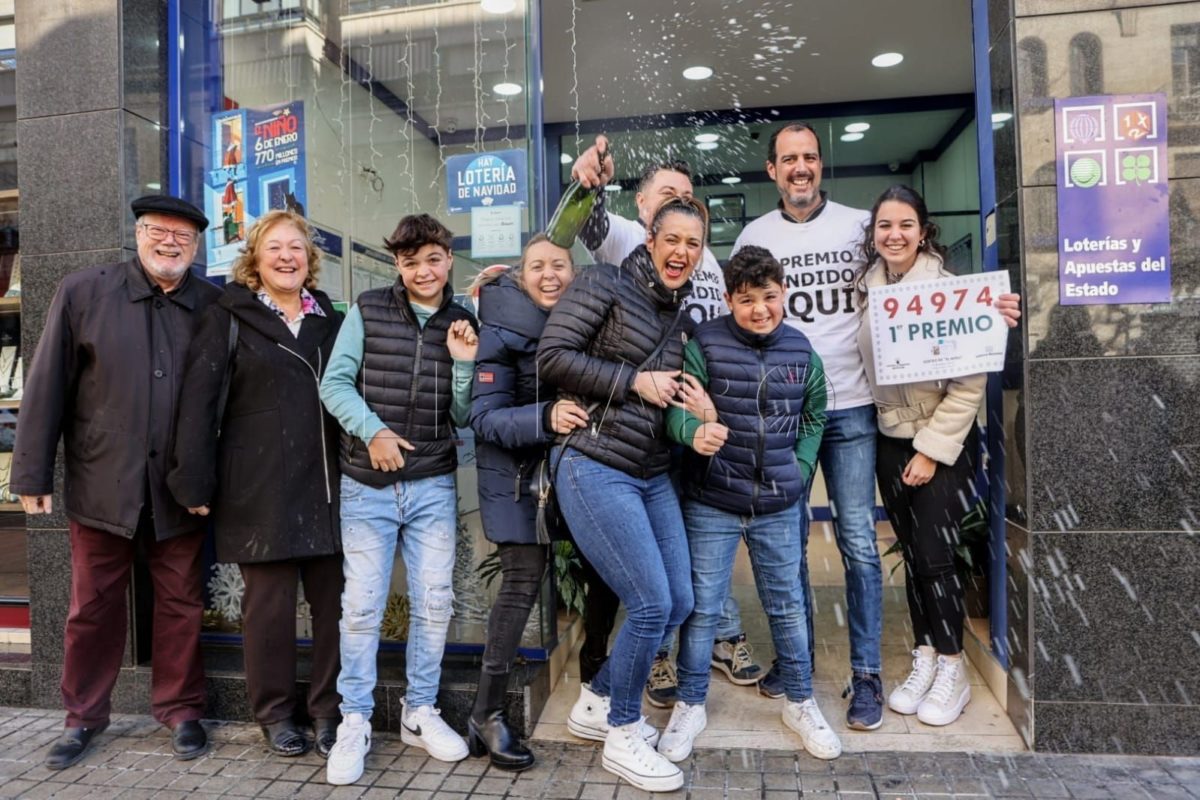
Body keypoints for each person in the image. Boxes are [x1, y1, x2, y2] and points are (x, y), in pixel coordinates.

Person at [733, 122, 1022, 728]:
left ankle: (866, 673)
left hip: (861, 410)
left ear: (821, 165)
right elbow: (739, 313)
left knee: (860, 545)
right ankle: (797, 665)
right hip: (786, 414)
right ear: (772, 170)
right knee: (785, 547)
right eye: (789, 159)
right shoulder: (754, 236)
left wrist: (984, 307)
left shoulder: (862, 227)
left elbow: (922, 283)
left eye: (810, 156)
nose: (801, 167)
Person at [11, 195, 220, 768]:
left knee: (181, 603)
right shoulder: (85, 292)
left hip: (181, 490)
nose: (170, 243)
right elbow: (48, 382)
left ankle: (181, 710)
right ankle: (82, 718)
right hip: (103, 485)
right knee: (91, 609)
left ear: (196, 247)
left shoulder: (214, 304)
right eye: (159, 231)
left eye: (183, 236)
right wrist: (30, 469)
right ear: (138, 233)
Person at [570, 138, 763, 707]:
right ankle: (644, 666)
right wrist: (589, 186)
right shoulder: (632, 244)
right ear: (645, 210)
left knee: (696, 548)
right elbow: (590, 225)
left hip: (688, 423)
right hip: (627, 431)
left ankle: (718, 636)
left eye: (687, 198)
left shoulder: (705, 262)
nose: (680, 208)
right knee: (649, 573)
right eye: (667, 198)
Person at [538, 196, 707, 793]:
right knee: (651, 602)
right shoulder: (603, 282)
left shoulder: (682, 317)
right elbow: (552, 358)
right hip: (593, 463)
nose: (682, 252)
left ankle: (597, 700)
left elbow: (678, 396)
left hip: (651, 471)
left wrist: (699, 409)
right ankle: (623, 732)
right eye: (673, 239)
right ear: (650, 240)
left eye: (694, 243)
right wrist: (636, 380)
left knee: (680, 600)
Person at [168, 210, 344, 758]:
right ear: (256, 259)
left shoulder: (331, 319)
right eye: (275, 248)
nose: (287, 256)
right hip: (257, 483)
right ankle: (273, 713)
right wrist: (193, 482)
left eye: (296, 247)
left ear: (309, 259)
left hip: (328, 482)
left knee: (335, 607)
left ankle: (327, 710)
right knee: (266, 611)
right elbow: (197, 404)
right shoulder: (228, 315)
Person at [660, 245, 840, 761]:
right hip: (712, 499)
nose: (759, 309)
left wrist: (802, 468)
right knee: (703, 606)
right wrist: (694, 433)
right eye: (746, 300)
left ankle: (800, 699)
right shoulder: (705, 345)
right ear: (727, 299)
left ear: (783, 294)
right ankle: (691, 703)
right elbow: (677, 411)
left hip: (779, 502)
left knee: (786, 604)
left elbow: (815, 415)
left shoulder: (802, 350)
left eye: (768, 297)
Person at [319, 213, 479, 785]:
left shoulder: (464, 319)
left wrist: (463, 368)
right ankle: (355, 720)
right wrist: (374, 432)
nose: (423, 271)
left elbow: (463, 416)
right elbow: (333, 384)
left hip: (434, 483)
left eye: (433, 259)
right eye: (411, 262)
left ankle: (420, 711)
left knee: (434, 602)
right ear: (397, 265)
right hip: (368, 483)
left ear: (448, 259)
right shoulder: (368, 308)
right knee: (360, 607)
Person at [855, 186, 985, 727]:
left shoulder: (952, 292)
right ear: (874, 234)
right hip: (890, 436)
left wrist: (930, 451)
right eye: (885, 226)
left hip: (942, 443)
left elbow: (969, 383)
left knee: (936, 557)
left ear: (923, 230)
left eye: (905, 224)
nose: (895, 235)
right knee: (912, 556)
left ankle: (954, 667)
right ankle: (926, 655)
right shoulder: (868, 288)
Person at [467, 235, 586, 771]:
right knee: (519, 588)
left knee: (602, 578)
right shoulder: (500, 328)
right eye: (537, 266)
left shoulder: (583, 323)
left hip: (571, 475)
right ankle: (486, 712)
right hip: (517, 478)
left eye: (559, 265)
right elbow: (484, 417)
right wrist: (546, 417)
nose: (549, 275)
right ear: (520, 275)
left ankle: (600, 697)